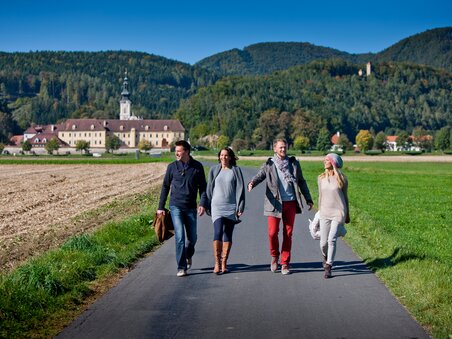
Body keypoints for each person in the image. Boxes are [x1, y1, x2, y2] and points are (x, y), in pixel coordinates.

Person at [248, 139, 313, 275]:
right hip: (274, 203)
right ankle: (274, 256)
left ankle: (285, 263)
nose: (283, 150)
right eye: (280, 147)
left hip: (290, 202)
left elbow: (301, 181)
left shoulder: (293, 163)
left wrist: (308, 198)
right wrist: (252, 183)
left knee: (288, 233)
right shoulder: (269, 164)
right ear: (275, 149)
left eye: (285, 147)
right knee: (272, 233)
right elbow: (260, 176)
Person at [157, 140, 207, 277]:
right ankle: (181, 267)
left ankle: (188, 254)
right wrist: (160, 207)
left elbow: (203, 188)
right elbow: (165, 186)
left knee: (192, 238)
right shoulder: (172, 167)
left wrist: (202, 204)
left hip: (191, 207)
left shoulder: (197, 167)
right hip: (175, 207)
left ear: (186, 152)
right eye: (176, 151)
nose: (176, 153)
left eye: (179, 151)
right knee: (180, 237)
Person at [206, 147, 245, 274]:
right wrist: (207, 204)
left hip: (231, 207)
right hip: (216, 206)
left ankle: (224, 262)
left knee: (228, 234)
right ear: (219, 157)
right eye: (221, 155)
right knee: (217, 232)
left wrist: (240, 207)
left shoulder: (236, 171)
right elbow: (209, 189)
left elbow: (240, 189)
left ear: (230, 157)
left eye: (226, 155)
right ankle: (217, 262)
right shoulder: (214, 170)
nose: (224, 157)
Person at [317, 153, 350, 279]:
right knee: (323, 243)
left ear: (333, 162)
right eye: (324, 159)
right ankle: (325, 257)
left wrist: (348, 215)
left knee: (332, 240)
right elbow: (320, 196)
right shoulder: (320, 178)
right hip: (324, 212)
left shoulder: (342, 179)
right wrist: (319, 213)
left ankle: (328, 266)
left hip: (338, 212)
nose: (324, 162)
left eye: (327, 160)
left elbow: (345, 198)